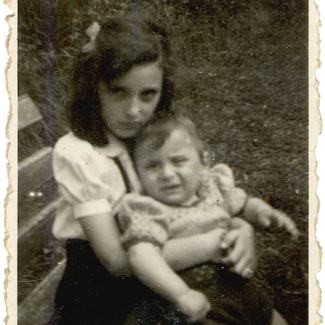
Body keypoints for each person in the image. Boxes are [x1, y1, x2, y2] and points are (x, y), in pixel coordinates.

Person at [50, 13, 258, 325]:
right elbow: (118, 263)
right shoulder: (79, 153)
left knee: (258, 308)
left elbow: (203, 194)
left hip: (162, 279)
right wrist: (213, 243)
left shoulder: (150, 138)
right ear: (92, 87)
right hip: (105, 299)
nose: (134, 111)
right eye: (117, 91)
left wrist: (240, 228)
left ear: (163, 90)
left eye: (148, 94)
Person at [117, 116, 298, 324]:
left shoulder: (213, 188)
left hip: (241, 290)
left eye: (178, 161)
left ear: (203, 163)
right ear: (138, 173)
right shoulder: (148, 209)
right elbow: (141, 254)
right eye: (152, 166)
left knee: (273, 319)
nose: (166, 174)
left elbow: (244, 204)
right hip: (191, 302)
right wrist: (181, 294)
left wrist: (262, 212)